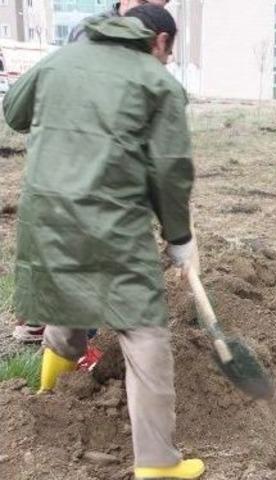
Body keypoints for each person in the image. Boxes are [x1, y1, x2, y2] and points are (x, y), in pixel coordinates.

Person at [3, 5, 205, 479]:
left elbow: (13, 112)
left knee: (68, 298)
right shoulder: (156, 83)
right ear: (157, 41)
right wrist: (180, 237)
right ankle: (157, 464)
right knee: (145, 330)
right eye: (169, 52)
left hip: (48, 216)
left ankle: (51, 396)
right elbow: (170, 170)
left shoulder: (60, 59)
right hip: (112, 223)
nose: (168, 62)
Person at [67, 0, 171, 43]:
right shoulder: (90, 29)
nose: (150, 13)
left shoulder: (158, 36)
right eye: (144, 3)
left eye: (158, 9)